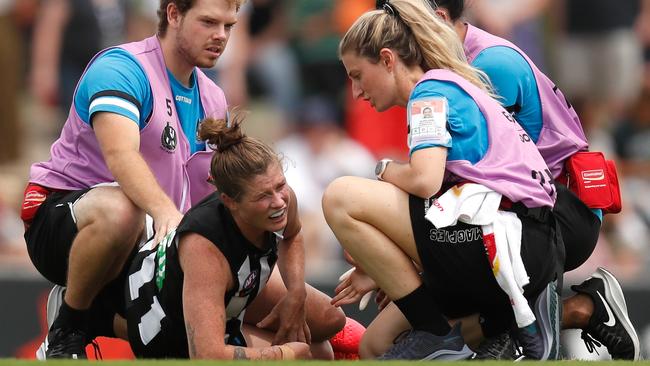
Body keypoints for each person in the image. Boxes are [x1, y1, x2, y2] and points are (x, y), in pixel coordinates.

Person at [341, 0, 640, 361]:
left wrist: (400, 253)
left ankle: (526, 324)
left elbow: (450, 184)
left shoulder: (481, 68)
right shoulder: (441, 77)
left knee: (347, 202)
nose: (392, 37)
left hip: (556, 214)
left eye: (396, 24)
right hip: (518, 214)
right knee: (380, 341)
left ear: (435, 18)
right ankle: (573, 311)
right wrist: (390, 260)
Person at [21, 0, 241, 359]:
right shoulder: (122, 67)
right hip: (61, 220)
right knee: (124, 210)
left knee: (307, 320)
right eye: (208, 22)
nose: (220, 36)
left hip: (148, 240)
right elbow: (121, 156)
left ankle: (97, 314)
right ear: (173, 14)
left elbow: (217, 195)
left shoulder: (213, 98)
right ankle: (68, 327)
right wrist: (168, 215)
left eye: (229, 26)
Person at [125, 112, 345, 359]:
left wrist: (295, 293)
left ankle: (250, 330)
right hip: (170, 337)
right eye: (263, 196)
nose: (279, 202)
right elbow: (207, 356)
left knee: (330, 319)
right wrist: (283, 354)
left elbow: (293, 235)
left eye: (280, 186)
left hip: (232, 299)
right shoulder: (205, 248)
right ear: (230, 201)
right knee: (316, 354)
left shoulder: (282, 197)